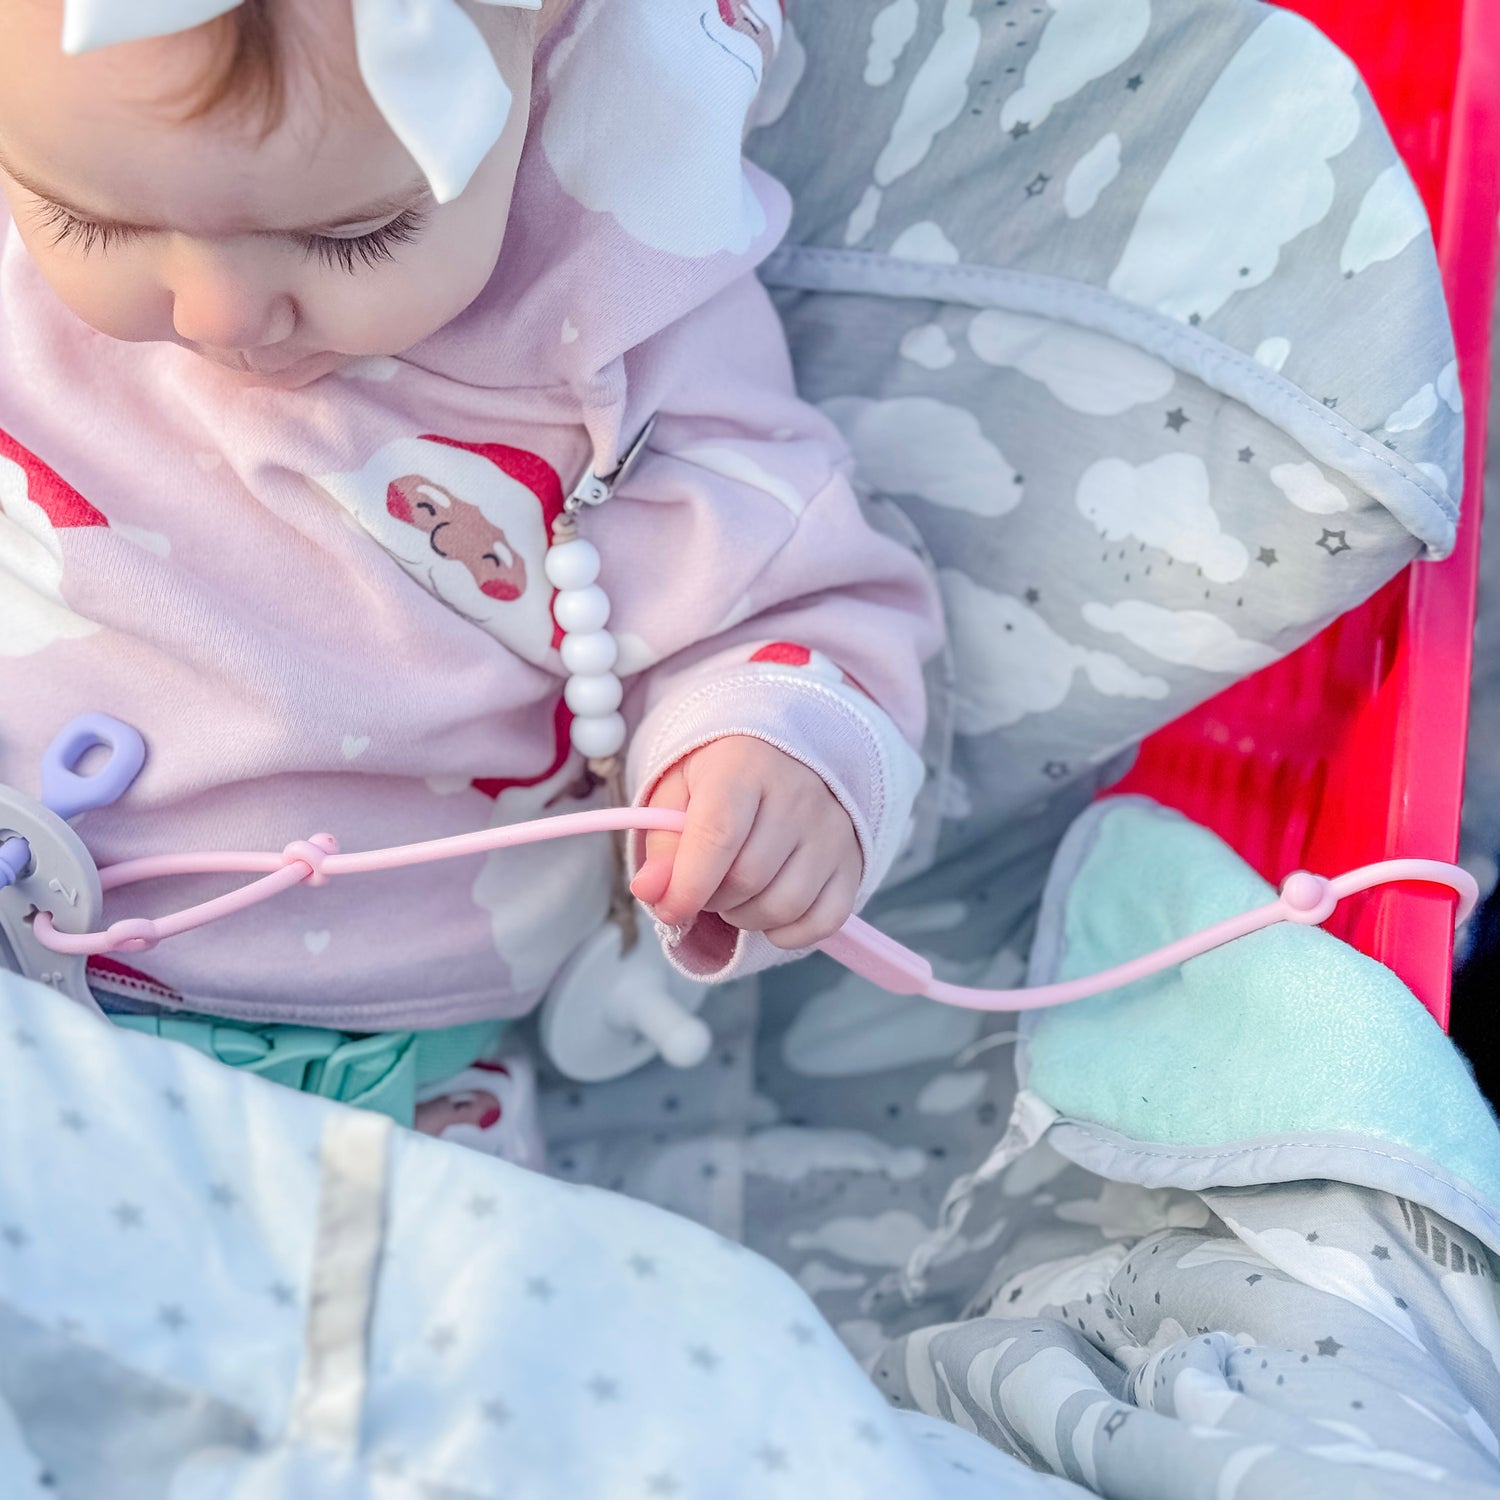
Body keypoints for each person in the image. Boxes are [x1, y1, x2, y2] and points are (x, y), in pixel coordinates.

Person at [0, 0, 940, 1156]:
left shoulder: (613, 341)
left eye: (352, 234)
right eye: (93, 220)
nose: (219, 312)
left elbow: (789, 603)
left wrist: (772, 759)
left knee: (421, 1319)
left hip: (371, 1081)